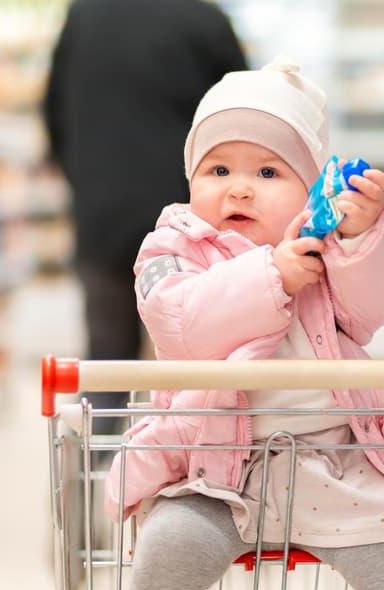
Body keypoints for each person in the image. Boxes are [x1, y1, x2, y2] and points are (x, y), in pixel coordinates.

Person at [103, 58, 384, 590]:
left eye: (268, 173)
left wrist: (364, 235)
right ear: (191, 180)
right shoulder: (171, 248)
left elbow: (374, 307)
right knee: (166, 553)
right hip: (214, 471)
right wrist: (273, 275)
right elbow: (182, 324)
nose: (240, 190)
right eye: (218, 171)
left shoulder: (325, 250)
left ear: (311, 191)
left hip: (338, 466)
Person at [42, 0, 247, 435]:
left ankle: (97, 488)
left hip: (103, 217)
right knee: (196, 370)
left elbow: (53, 115)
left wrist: (86, 181)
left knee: (107, 364)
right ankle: (191, 489)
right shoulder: (206, 19)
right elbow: (245, 121)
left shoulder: (84, 15)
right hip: (192, 227)